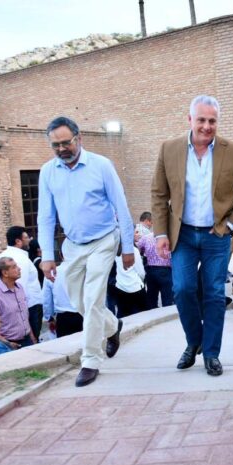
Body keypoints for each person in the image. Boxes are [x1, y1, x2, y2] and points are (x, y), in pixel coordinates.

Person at [151, 95, 233, 377]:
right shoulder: (169, 149)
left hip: (216, 236)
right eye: (201, 120)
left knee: (212, 294)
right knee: (183, 290)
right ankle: (194, 341)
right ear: (190, 120)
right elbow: (160, 195)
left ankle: (211, 353)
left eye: (212, 121)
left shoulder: (232, 150)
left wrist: (231, 226)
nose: (207, 126)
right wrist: (160, 233)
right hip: (182, 235)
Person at [38, 116, 133, 387]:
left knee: (92, 300)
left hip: (104, 240)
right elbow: (45, 217)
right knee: (78, 301)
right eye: (55, 145)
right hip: (72, 246)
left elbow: (122, 207)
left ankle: (90, 359)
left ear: (78, 139)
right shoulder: (48, 172)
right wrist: (47, 255)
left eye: (65, 143)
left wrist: (128, 248)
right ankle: (113, 327)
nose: (61, 149)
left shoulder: (101, 165)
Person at [0, 226, 44, 340]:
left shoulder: (3, 256)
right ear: (18, 241)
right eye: (26, 237)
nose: (29, 240)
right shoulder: (18, 258)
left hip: (19, 308)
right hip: (26, 308)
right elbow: (17, 287)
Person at [0, 258, 36, 348]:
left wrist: (32, 336)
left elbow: (24, 315)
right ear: (5, 273)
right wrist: (6, 343)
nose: (19, 269)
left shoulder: (19, 287)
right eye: (14, 267)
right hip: (8, 343)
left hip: (28, 339)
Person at [136, 228, 174, 309]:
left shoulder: (146, 237)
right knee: (167, 299)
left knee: (151, 299)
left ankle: (153, 316)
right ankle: (166, 318)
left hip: (150, 270)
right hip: (166, 270)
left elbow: (138, 249)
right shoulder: (169, 238)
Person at [42, 265, 83, 338]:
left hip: (63, 318)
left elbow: (47, 300)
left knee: (65, 347)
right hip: (83, 314)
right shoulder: (83, 269)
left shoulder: (51, 273)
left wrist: (49, 318)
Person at [113, 239, 146, 318]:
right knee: (142, 315)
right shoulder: (133, 250)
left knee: (122, 315)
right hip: (135, 286)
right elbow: (140, 271)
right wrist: (142, 280)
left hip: (120, 286)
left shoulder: (115, 250)